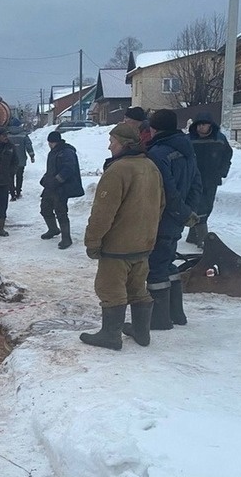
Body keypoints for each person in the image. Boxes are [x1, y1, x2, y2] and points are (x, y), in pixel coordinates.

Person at [81, 123, 165, 350]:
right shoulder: (150, 166)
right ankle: (141, 332)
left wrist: (92, 241)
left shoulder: (118, 170)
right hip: (143, 244)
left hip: (117, 247)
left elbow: (102, 213)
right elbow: (161, 205)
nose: (109, 147)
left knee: (110, 289)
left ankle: (110, 335)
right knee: (138, 288)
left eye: (113, 142)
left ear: (124, 144)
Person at [145, 109, 203, 330]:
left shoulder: (158, 153)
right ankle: (176, 314)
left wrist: (179, 212)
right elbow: (196, 184)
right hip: (179, 218)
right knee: (168, 262)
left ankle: (159, 319)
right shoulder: (186, 148)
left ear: (154, 128)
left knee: (156, 265)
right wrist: (188, 212)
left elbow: (167, 191)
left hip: (162, 218)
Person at [187, 112, 232, 248]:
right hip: (194, 178)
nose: (201, 127)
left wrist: (222, 171)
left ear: (210, 125)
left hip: (211, 178)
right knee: (199, 206)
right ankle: (202, 239)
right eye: (199, 125)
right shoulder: (189, 139)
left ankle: (192, 235)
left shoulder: (219, 139)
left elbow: (227, 154)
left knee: (208, 206)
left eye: (204, 124)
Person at [39, 131, 84, 249]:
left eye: (50, 142)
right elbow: (51, 169)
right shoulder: (53, 152)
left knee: (61, 212)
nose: (49, 144)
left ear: (54, 142)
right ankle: (53, 229)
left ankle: (66, 238)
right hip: (51, 187)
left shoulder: (67, 152)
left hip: (62, 188)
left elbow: (69, 169)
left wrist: (57, 180)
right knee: (45, 208)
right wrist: (45, 179)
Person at [6, 117, 35, 201]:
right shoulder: (24, 135)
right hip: (21, 160)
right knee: (19, 176)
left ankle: (12, 194)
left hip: (9, 161)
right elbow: (29, 146)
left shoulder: (7, 135)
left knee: (10, 177)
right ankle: (18, 192)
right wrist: (32, 156)